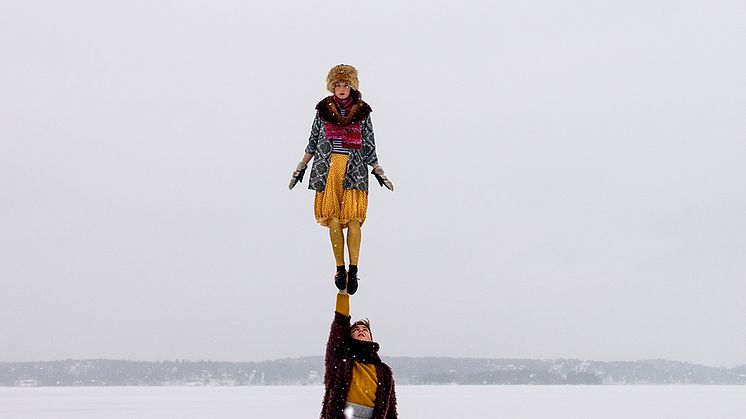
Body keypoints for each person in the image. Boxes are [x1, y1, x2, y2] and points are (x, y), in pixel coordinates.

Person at [289, 64, 393, 294]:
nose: (341, 88)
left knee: (354, 219)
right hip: (327, 168)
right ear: (332, 87)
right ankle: (340, 268)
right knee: (333, 219)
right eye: (337, 84)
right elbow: (313, 140)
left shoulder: (362, 111)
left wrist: (378, 169)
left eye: (345, 84)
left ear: (352, 86)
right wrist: (301, 167)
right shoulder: (323, 109)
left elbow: (369, 144)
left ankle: (354, 269)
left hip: (354, 168)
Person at [321, 290, 397, 419]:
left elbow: (390, 411)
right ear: (350, 337)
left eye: (365, 330)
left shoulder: (384, 373)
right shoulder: (339, 361)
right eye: (356, 330)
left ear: (371, 338)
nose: (361, 330)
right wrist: (343, 293)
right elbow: (340, 325)